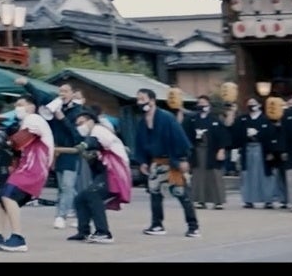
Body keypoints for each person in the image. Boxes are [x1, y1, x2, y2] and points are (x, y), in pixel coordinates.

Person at [0, 92, 52, 253]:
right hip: (26, 166)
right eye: (16, 105)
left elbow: (22, 139)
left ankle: (18, 238)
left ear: (31, 106)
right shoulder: (25, 122)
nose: (17, 108)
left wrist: (7, 141)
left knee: (8, 196)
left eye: (21, 104)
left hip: (34, 167)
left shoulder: (34, 119)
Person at [126, 87, 200, 238]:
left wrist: (183, 159)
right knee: (155, 193)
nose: (140, 102)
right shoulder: (142, 122)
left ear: (152, 101)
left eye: (142, 99)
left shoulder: (166, 117)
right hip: (155, 161)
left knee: (181, 193)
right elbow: (140, 143)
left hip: (172, 160)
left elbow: (179, 138)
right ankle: (157, 224)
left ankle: (193, 226)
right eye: (138, 99)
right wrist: (142, 162)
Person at [69, 109, 132, 243]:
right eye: (77, 124)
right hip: (105, 171)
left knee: (93, 194)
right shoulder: (93, 134)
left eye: (82, 122)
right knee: (80, 198)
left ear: (91, 121)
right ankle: (83, 232)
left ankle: (103, 233)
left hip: (115, 172)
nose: (79, 126)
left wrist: (83, 145)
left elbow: (93, 141)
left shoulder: (99, 130)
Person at [41, 84, 84, 230]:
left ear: (72, 93)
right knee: (64, 188)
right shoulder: (55, 108)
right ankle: (83, 213)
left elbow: (76, 135)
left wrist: (62, 118)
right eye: (60, 91)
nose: (62, 93)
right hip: (58, 152)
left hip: (71, 152)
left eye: (66, 91)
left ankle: (61, 216)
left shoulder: (78, 111)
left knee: (67, 185)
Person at [183, 94, 229, 209]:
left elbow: (222, 136)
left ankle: (217, 201)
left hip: (212, 150)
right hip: (197, 150)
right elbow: (185, 134)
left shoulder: (215, 120)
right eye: (200, 103)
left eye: (204, 103)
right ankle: (200, 200)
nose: (202, 106)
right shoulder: (192, 119)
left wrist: (221, 150)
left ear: (209, 105)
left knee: (215, 175)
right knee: (198, 176)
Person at [234, 97, 274, 208]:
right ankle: (248, 199)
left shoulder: (266, 119)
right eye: (249, 103)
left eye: (254, 103)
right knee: (247, 175)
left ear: (259, 105)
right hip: (247, 148)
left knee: (264, 175)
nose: (251, 105)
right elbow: (237, 134)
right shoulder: (243, 119)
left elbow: (270, 135)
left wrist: (270, 151)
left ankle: (268, 199)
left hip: (262, 148)